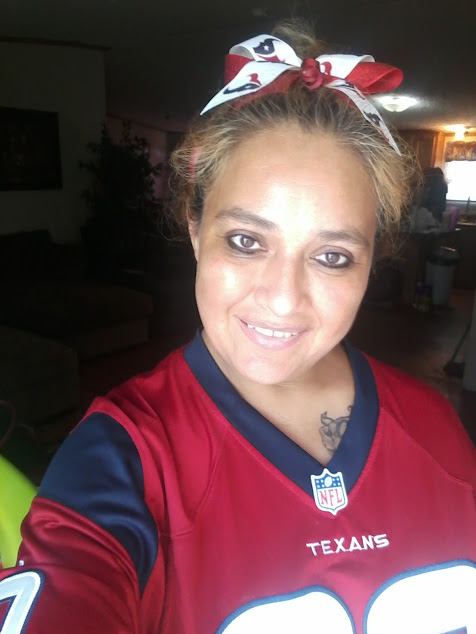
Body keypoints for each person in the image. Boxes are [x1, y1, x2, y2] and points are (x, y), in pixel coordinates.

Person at [1, 23, 475, 634]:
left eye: (332, 256)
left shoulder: (437, 428)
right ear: (196, 229)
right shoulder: (121, 460)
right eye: (247, 241)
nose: (282, 299)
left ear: (371, 260)